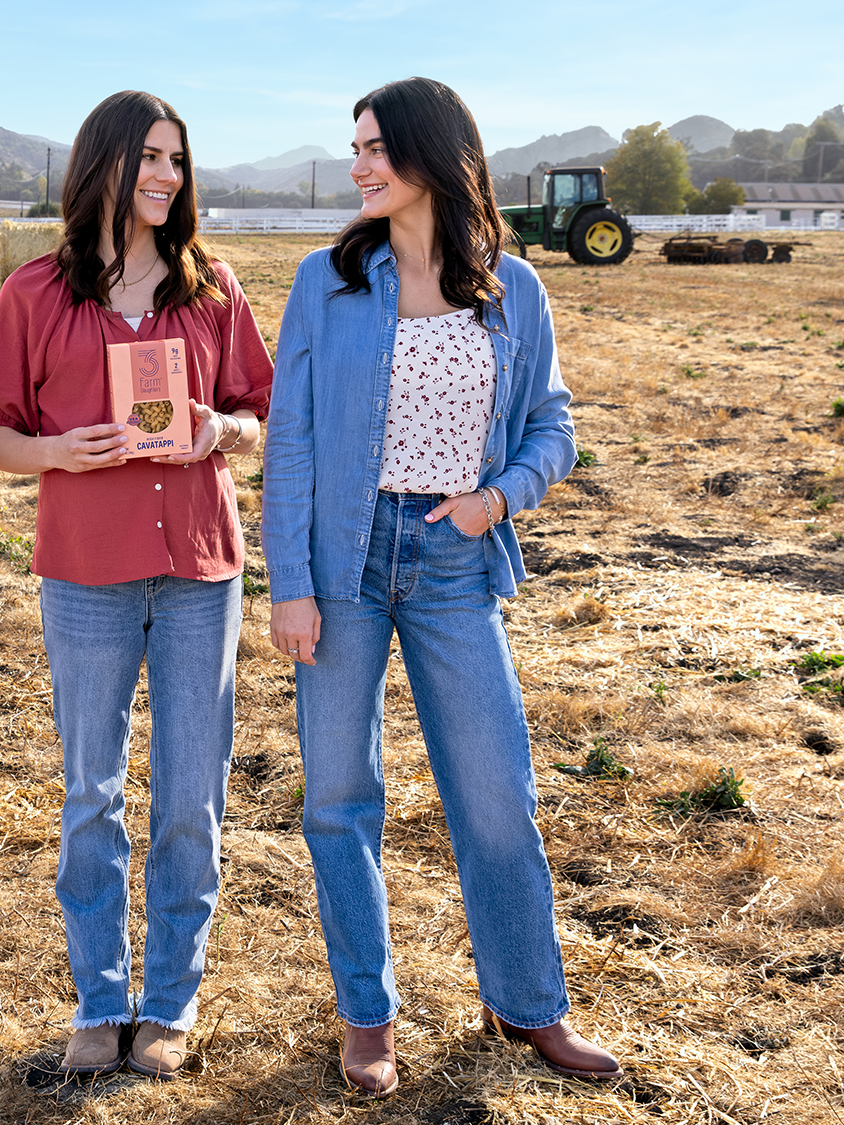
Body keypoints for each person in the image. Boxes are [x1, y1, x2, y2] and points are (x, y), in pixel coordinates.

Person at [261, 77, 623, 1097]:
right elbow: (289, 440)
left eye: (376, 146)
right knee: (338, 798)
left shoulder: (511, 287)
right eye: (355, 147)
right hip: (341, 563)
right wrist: (289, 584)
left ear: (432, 153)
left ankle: (526, 1006)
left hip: (455, 561)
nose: (359, 165)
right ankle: (365, 1016)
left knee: (495, 795)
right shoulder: (322, 282)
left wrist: (496, 499)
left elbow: (553, 427)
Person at [0, 90, 272, 1080]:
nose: (164, 176)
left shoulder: (213, 289)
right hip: (85, 579)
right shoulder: (33, 295)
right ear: (101, 162)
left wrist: (218, 430)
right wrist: (60, 450)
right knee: (89, 797)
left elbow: (261, 418)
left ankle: (170, 1004)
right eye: (148, 156)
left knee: (190, 798)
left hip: (198, 571)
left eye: (176, 161)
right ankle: (100, 1002)